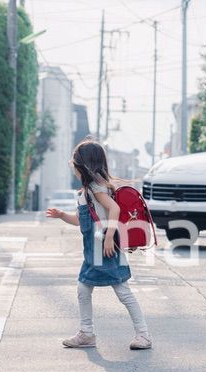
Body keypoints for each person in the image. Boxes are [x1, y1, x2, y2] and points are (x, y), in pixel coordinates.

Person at [46, 137, 152, 350]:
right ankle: (87, 333)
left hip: (106, 248)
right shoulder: (86, 192)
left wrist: (110, 236)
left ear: (83, 166)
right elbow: (79, 220)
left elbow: (115, 210)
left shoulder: (97, 189)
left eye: (74, 163)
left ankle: (143, 335)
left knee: (122, 291)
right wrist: (62, 215)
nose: (72, 166)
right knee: (84, 289)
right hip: (93, 252)